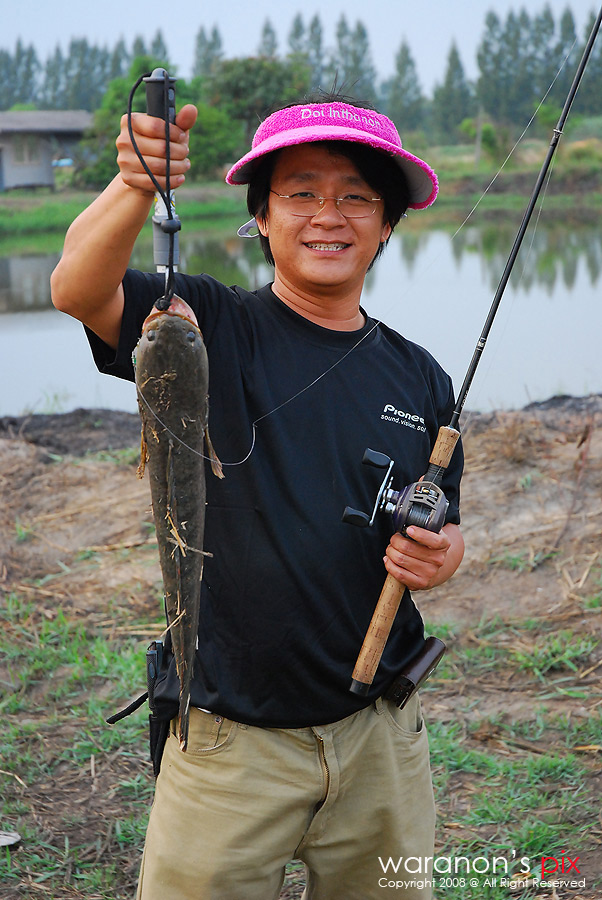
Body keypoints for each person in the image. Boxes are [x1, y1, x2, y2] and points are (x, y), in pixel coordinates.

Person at [51, 91, 464, 900]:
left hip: (379, 738)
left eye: (356, 197)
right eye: (301, 192)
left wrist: (444, 554)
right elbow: (76, 288)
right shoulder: (202, 321)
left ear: (386, 227)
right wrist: (136, 184)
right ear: (262, 219)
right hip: (226, 743)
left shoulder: (422, 378)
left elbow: (445, 524)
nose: (328, 215)